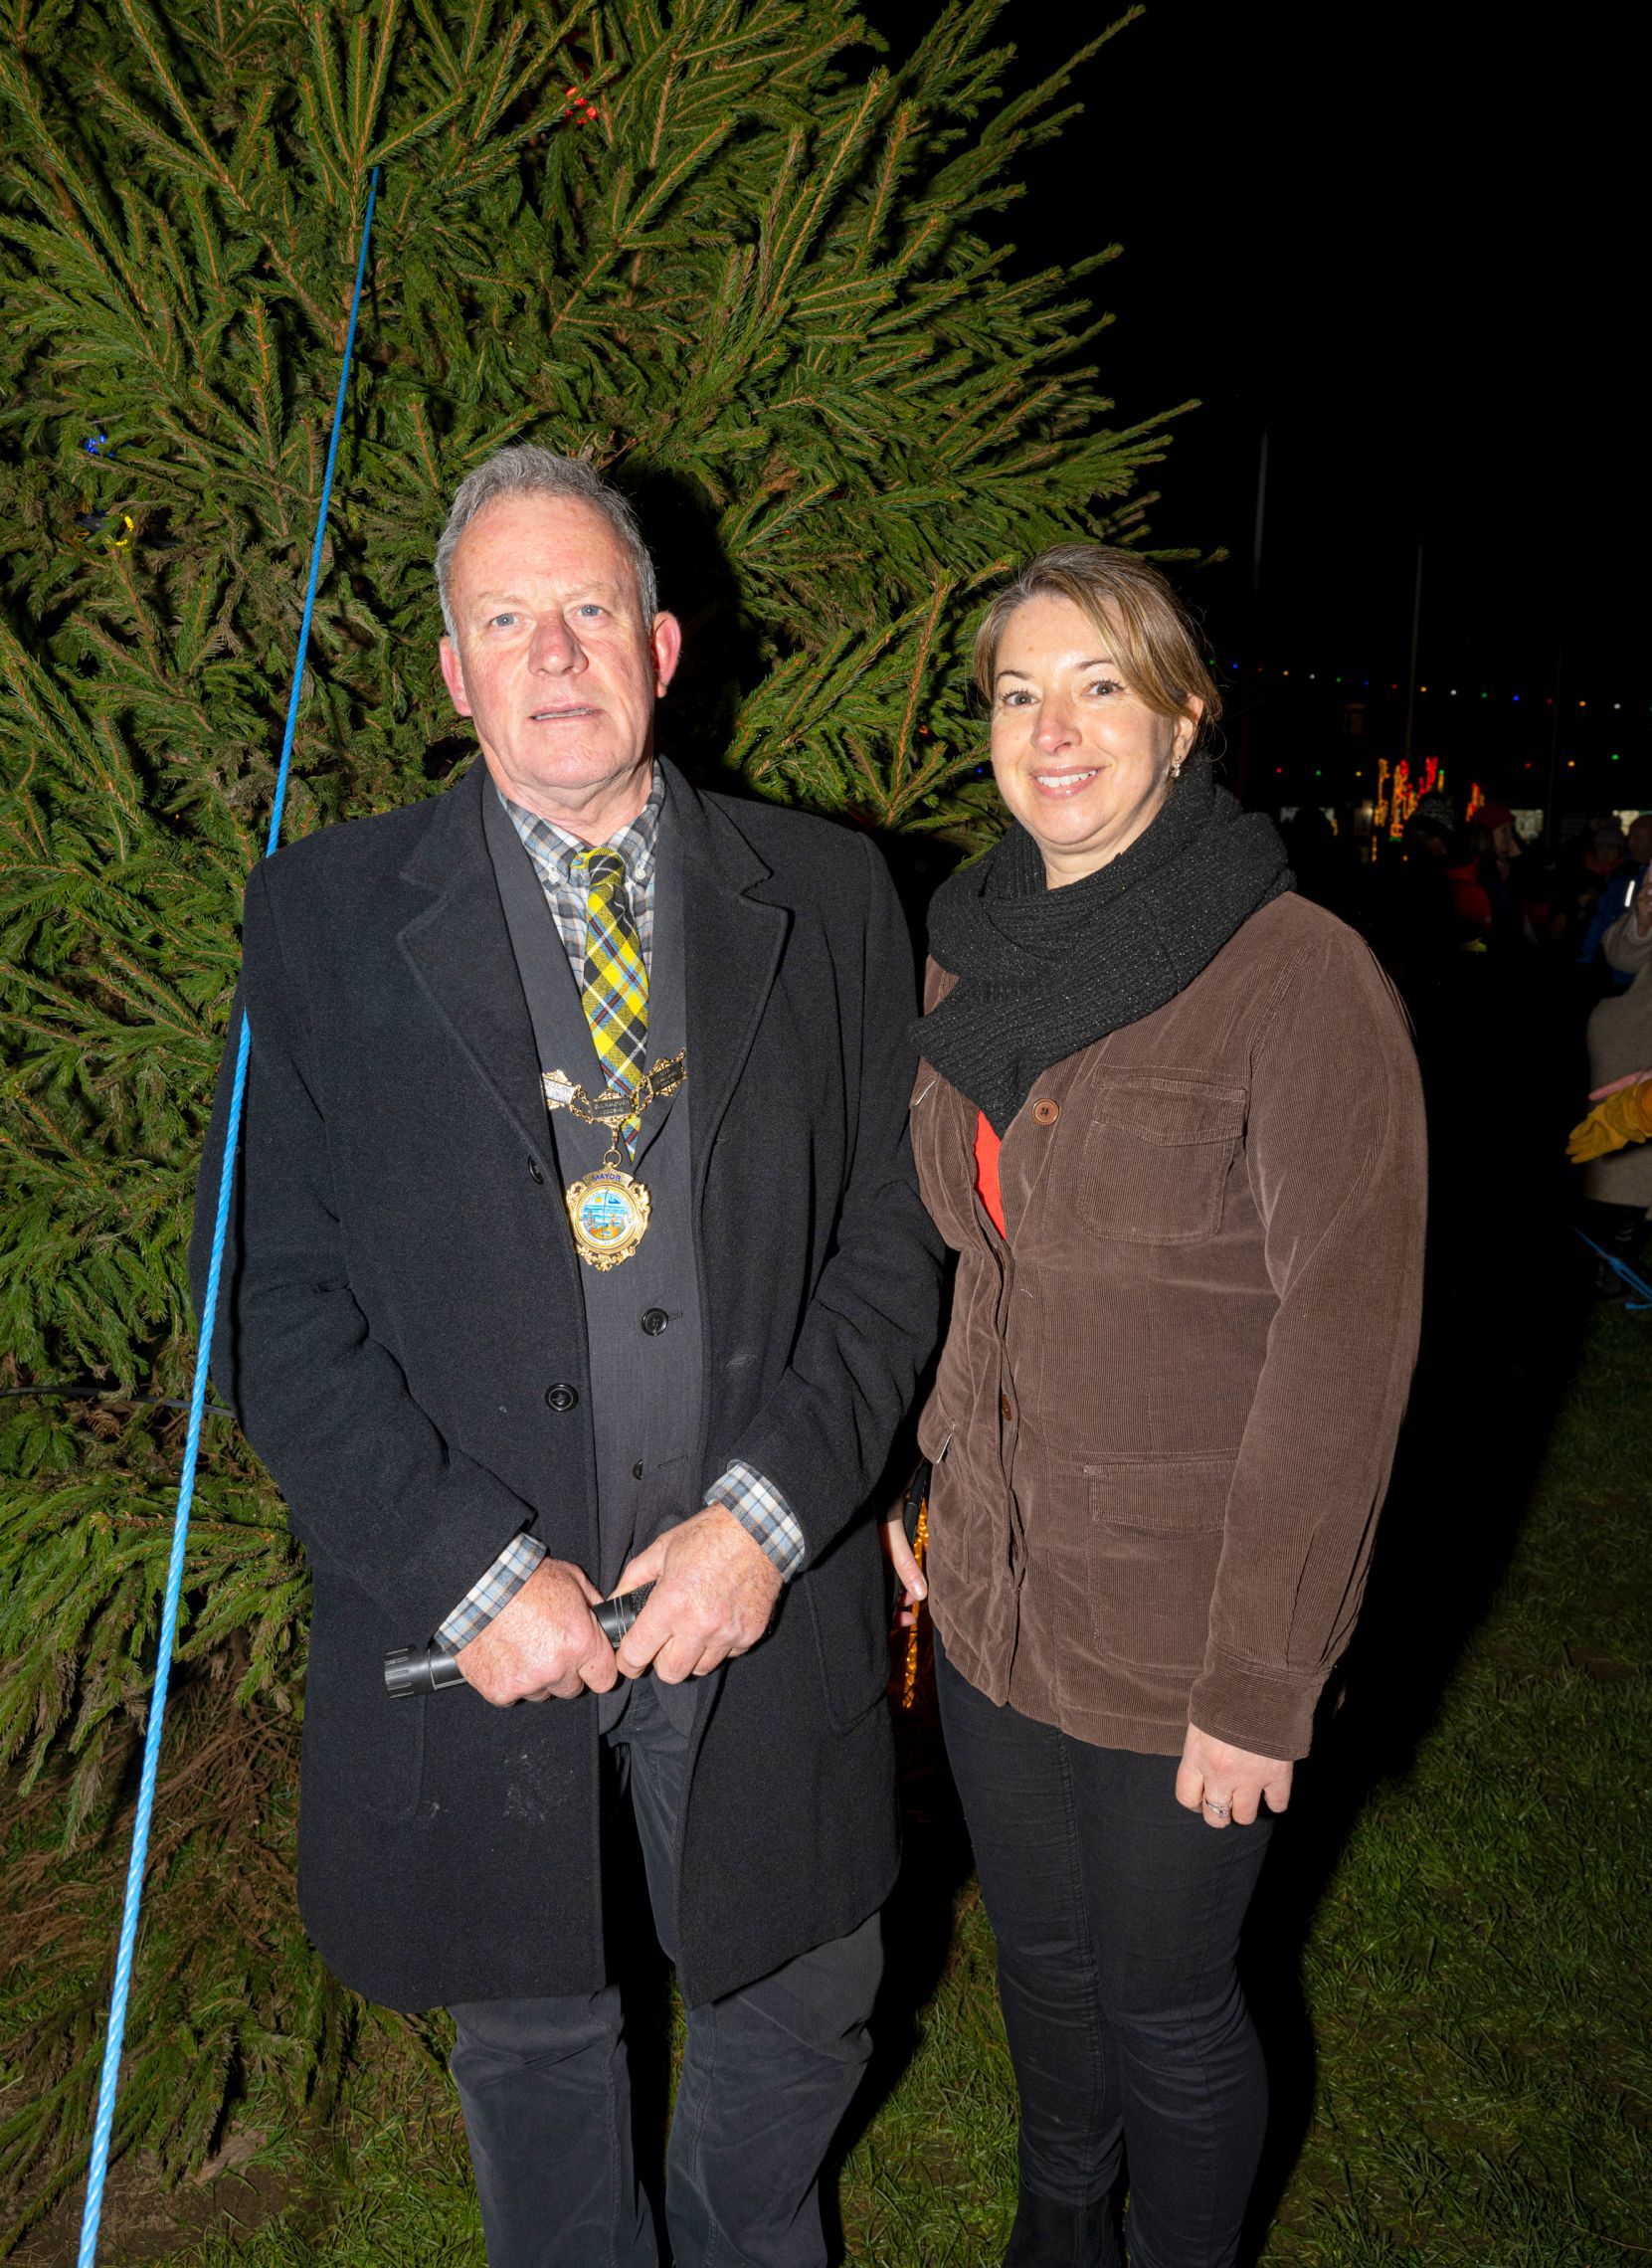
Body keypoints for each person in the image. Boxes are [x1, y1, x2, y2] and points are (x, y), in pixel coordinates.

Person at [192, 445, 943, 2266]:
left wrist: (768, 1521)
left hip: (753, 1586)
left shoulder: (834, 899)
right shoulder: (322, 921)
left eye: (588, 607)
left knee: (799, 2000)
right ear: (451, 672)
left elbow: (894, 1241)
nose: (552, 651)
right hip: (492, 1614)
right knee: (532, 2037)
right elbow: (273, 1304)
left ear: (663, 644)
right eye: (504, 617)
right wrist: (460, 1571)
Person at [885, 544, 1427, 2268]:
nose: (1053, 729)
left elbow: (1342, 1355)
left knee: (1170, 2002)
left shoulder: (1297, 978)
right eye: (1018, 691)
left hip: (1187, 1635)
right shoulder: (963, 960)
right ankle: (1060, 2235)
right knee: (1041, 1974)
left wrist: (1260, 1684)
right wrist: (929, 1495)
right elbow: (983, 1267)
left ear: (1183, 719)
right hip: (993, 1594)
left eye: (1099, 685)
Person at [1576, 863, 1652, 1284]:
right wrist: (1642, 920)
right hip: (1634, 1039)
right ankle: (1611, 1266)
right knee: (1625, 1166)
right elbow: (1620, 954)